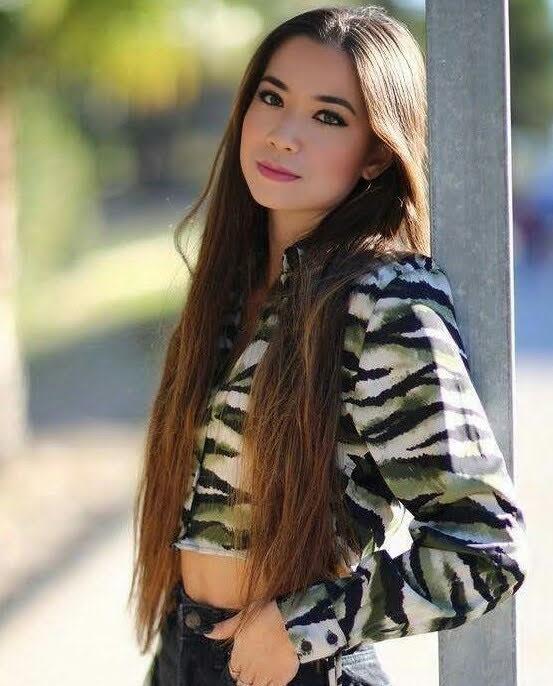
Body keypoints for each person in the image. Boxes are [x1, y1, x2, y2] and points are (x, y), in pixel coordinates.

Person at [130, 6, 529, 686]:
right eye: (271, 98)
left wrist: (305, 624)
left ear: (376, 152)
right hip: (187, 651)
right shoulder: (232, 290)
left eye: (327, 117)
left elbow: (484, 546)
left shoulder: (382, 300)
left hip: (298, 666)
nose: (283, 135)